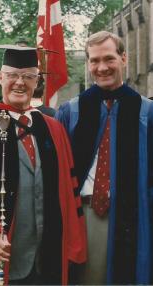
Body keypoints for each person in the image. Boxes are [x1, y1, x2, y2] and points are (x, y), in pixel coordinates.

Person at [0, 46, 86, 285]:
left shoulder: (53, 129)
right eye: (12, 75)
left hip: (49, 256)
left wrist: (73, 245)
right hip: (3, 255)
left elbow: (68, 191)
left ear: (37, 81)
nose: (19, 83)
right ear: (0, 77)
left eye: (28, 76)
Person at [56, 31, 153, 285]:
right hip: (85, 215)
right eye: (94, 60)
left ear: (124, 58)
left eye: (109, 59)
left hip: (135, 215)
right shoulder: (71, 111)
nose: (102, 68)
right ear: (88, 63)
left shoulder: (147, 112)